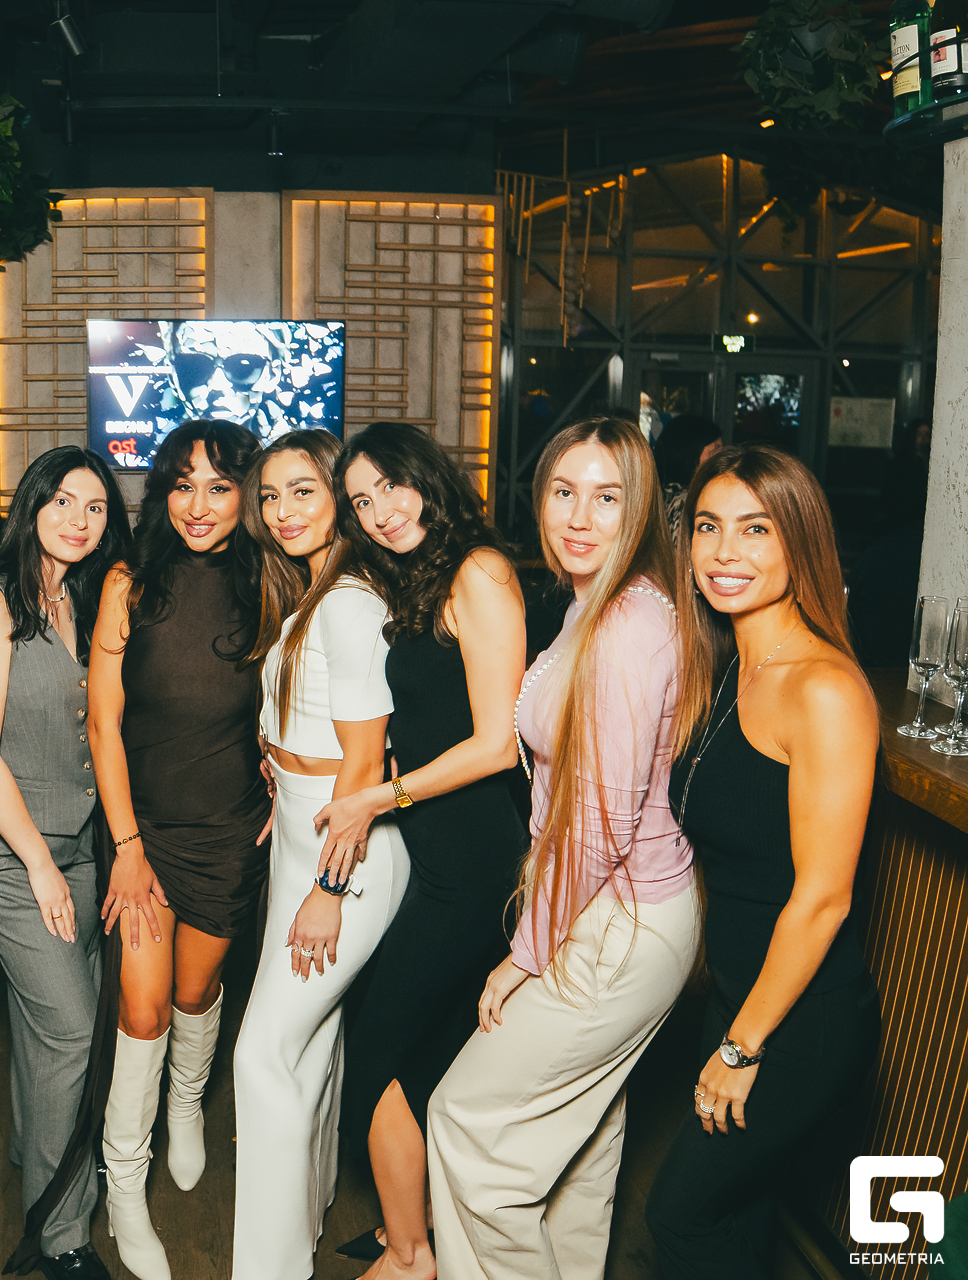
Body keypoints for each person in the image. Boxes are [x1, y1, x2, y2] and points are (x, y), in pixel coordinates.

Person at [423, 417, 701, 1280]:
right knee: (579, 1151)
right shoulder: (601, 602)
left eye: (607, 497)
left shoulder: (625, 625)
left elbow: (602, 822)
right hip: (616, 907)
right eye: (562, 491)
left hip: (616, 917)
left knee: (466, 1128)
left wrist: (526, 952)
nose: (579, 517)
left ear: (640, 508)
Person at [646, 444, 880, 1277]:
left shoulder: (825, 690)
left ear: (799, 542)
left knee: (680, 1216)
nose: (724, 552)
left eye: (755, 530)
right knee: (737, 1223)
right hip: (739, 995)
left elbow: (823, 898)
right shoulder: (727, 666)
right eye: (708, 527)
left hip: (798, 1022)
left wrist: (741, 1048)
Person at [318, 421, 528, 1280]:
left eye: (391, 486)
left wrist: (379, 796)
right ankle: (421, 1225)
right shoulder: (420, 580)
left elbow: (498, 744)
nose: (380, 511)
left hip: (476, 863)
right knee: (429, 1052)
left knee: (375, 1050)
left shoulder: (480, 570)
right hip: (443, 856)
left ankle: (410, 1256)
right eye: (361, 502)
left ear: (427, 478)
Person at [86, 419, 269, 1280]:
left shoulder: (271, 582)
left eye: (220, 487)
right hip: (144, 832)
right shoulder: (129, 582)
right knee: (144, 1010)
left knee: (197, 995)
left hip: (229, 828)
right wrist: (126, 845)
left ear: (245, 496)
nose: (199, 506)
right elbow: (103, 723)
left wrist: (292, 775)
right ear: (161, 494)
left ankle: (187, 1104)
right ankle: (124, 1187)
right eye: (183, 486)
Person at [0, 445, 129, 1280]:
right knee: (73, 1030)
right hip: (10, 852)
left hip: (76, 841)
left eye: (95, 507)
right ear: (31, 504)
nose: (77, 519)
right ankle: (60, 1235)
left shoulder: (78, 596)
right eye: (61, 501)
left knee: (40, 1023)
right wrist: (39, 867)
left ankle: (38, 1157)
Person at [232, 429, 409, 1279]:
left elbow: (366, 763)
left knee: (261, 1054)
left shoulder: (347, 602)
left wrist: (330, 888)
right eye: (270, 496)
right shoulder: (312, 593)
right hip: (306, 828)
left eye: (303, 490)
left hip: (347, 852)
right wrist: (282, 781)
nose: (282, 511)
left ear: (340, 495)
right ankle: (297, 1231)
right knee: (306, 1046)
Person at [653, 414, 722, 540]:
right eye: (714, 453)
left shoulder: (659, 494)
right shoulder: (685, 505)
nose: (721, 461)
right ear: (689, 453)